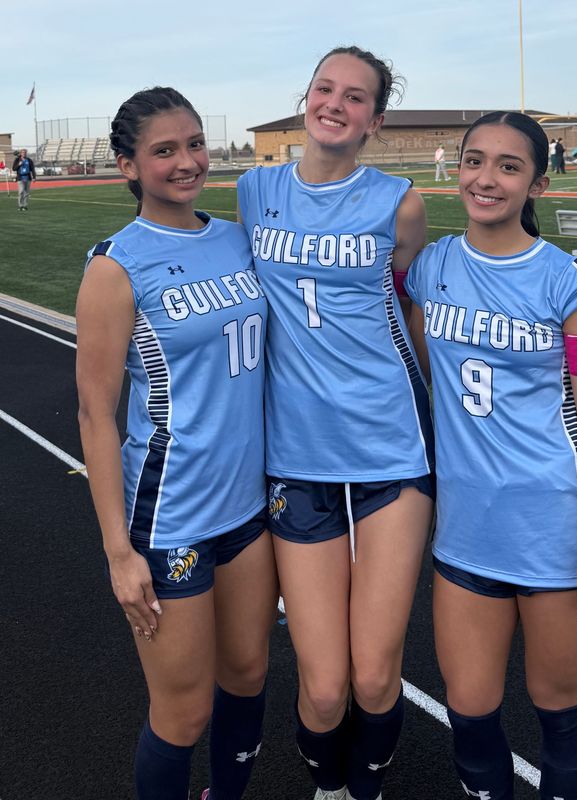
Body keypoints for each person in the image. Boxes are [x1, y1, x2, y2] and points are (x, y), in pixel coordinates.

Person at [237, 46, 435, 800]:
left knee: (377, 675)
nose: (336, 104)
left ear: (374, 121)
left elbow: (410, 307)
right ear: (306, 97)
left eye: (356, 98)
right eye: (326, 88)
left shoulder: (400, 202)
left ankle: (366, 787)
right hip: (296, 459)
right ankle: (327, 786)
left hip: (390, 454)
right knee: (324, 687)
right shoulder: (254, 190)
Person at [405, 111, 577, 800]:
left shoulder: (570, 285)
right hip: (466, 535)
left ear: (537, 185)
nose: (485, 178)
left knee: (558, 710)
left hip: (553, 534)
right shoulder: (432, 267)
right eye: (474, 160)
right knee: (469, 714)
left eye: (508, 166)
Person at [75, 86, 278, 800]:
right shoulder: (115, 266)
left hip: (249, 510)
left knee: (249, 678)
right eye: (164, 150)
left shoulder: (235, 237)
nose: (188, 161)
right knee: (184, 711)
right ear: (128, 165)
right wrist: (118, 553)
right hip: (171, 518)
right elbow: (96, 415)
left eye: (194, 143)